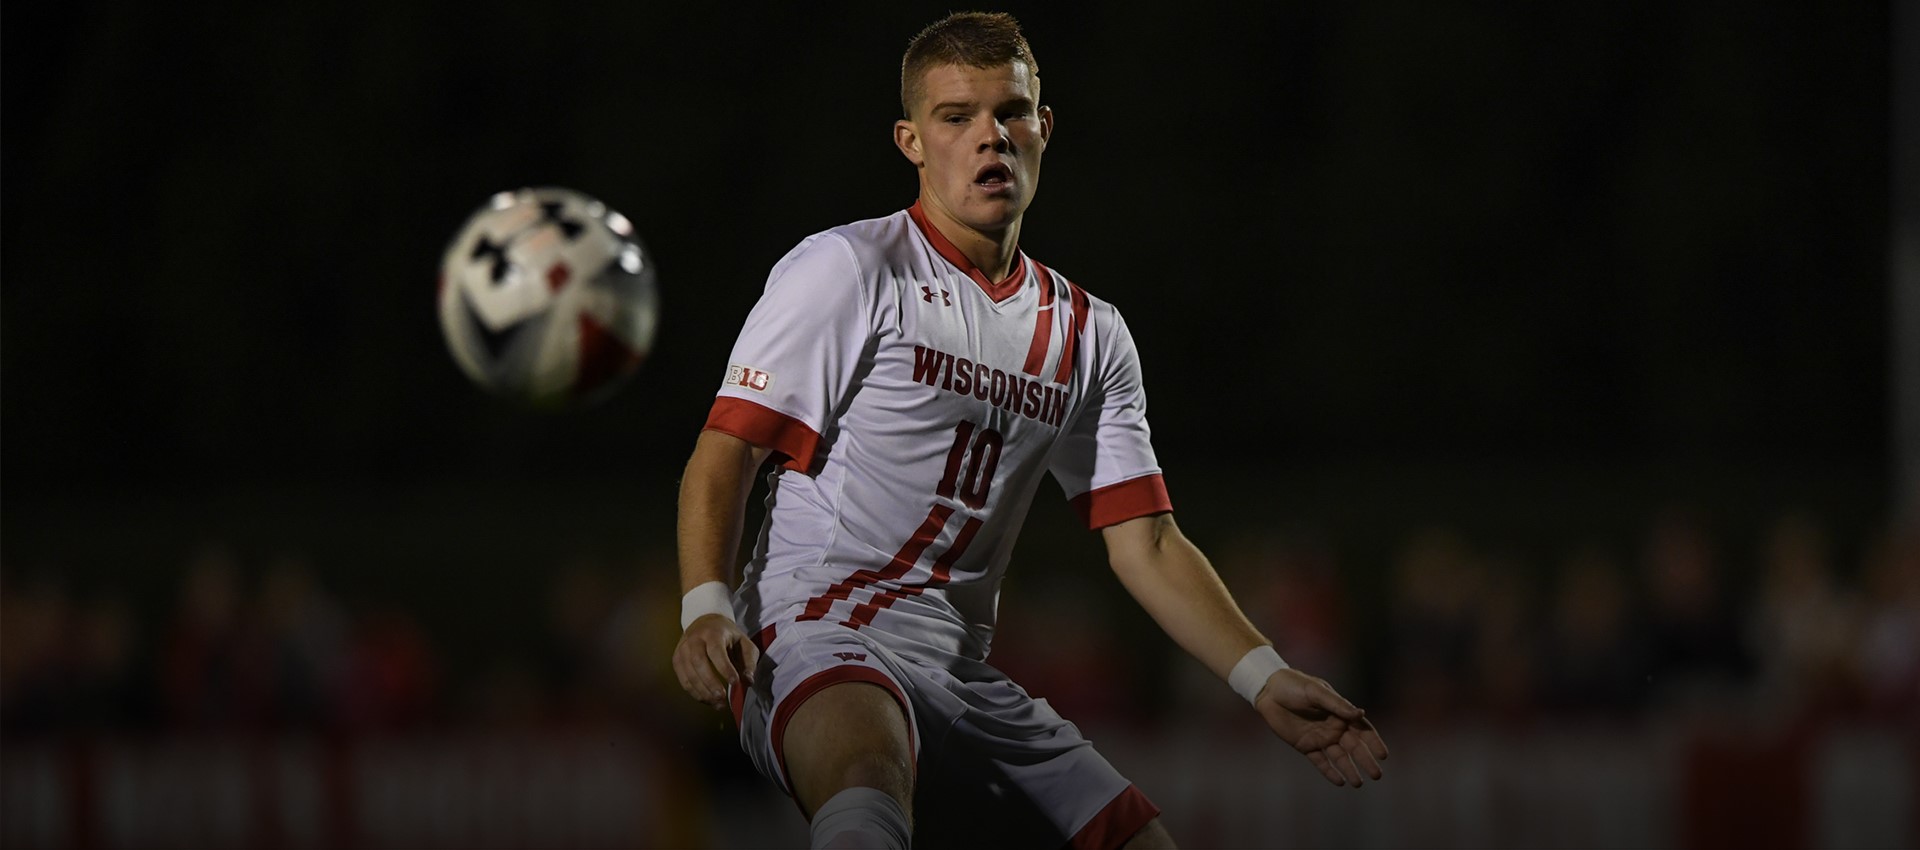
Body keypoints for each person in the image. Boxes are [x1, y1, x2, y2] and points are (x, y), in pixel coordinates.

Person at [671, 12, 1387, 849]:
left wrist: (1263, 677)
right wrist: (705, 606)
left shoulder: (1090, 333)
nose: (990, 138)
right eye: (956, 116)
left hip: (960, 673)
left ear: (1044, 128)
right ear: (911, 140)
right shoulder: (849, 269)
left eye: (1011, 113)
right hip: (812, 631)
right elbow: (728, 453)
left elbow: (1145, 542)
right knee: (866, 786)